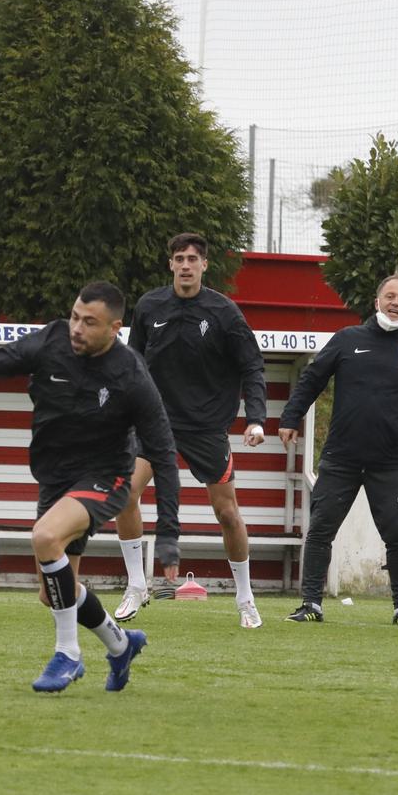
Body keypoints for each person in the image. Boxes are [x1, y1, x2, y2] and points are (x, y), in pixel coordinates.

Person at [0, 282, 180, 693]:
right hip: (56, 478)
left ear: (115, 328)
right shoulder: (51, 341)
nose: (76, 328)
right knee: (54, 593)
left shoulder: (132, 374)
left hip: (107, 476)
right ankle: (120, 645)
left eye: (89, 322)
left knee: (45, 537)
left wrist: (168, 533)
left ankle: (68, 654)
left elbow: (164, 453)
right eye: (75, 316)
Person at [112, 232, 267, 628]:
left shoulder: (224, 312)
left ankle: (246, 599)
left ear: (204, 265)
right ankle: (136, 585)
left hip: (205, 426)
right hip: (155, 422)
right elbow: (133, 364)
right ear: (171, 265)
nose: (185, 265)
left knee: (226, 511)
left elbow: (251, 364)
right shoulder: (149, 306)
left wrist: (256, 417)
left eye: (192, 259)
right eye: (178, 258)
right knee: (124, 492)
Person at [278, 274, 398, 627]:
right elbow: (311, 380)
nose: (395, 303)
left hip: (390, 462)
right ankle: (311, 603)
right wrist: (291, 417)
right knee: (321, 528)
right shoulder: (347, 340)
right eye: (389, 296)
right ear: (377, 301)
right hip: (341, 457)